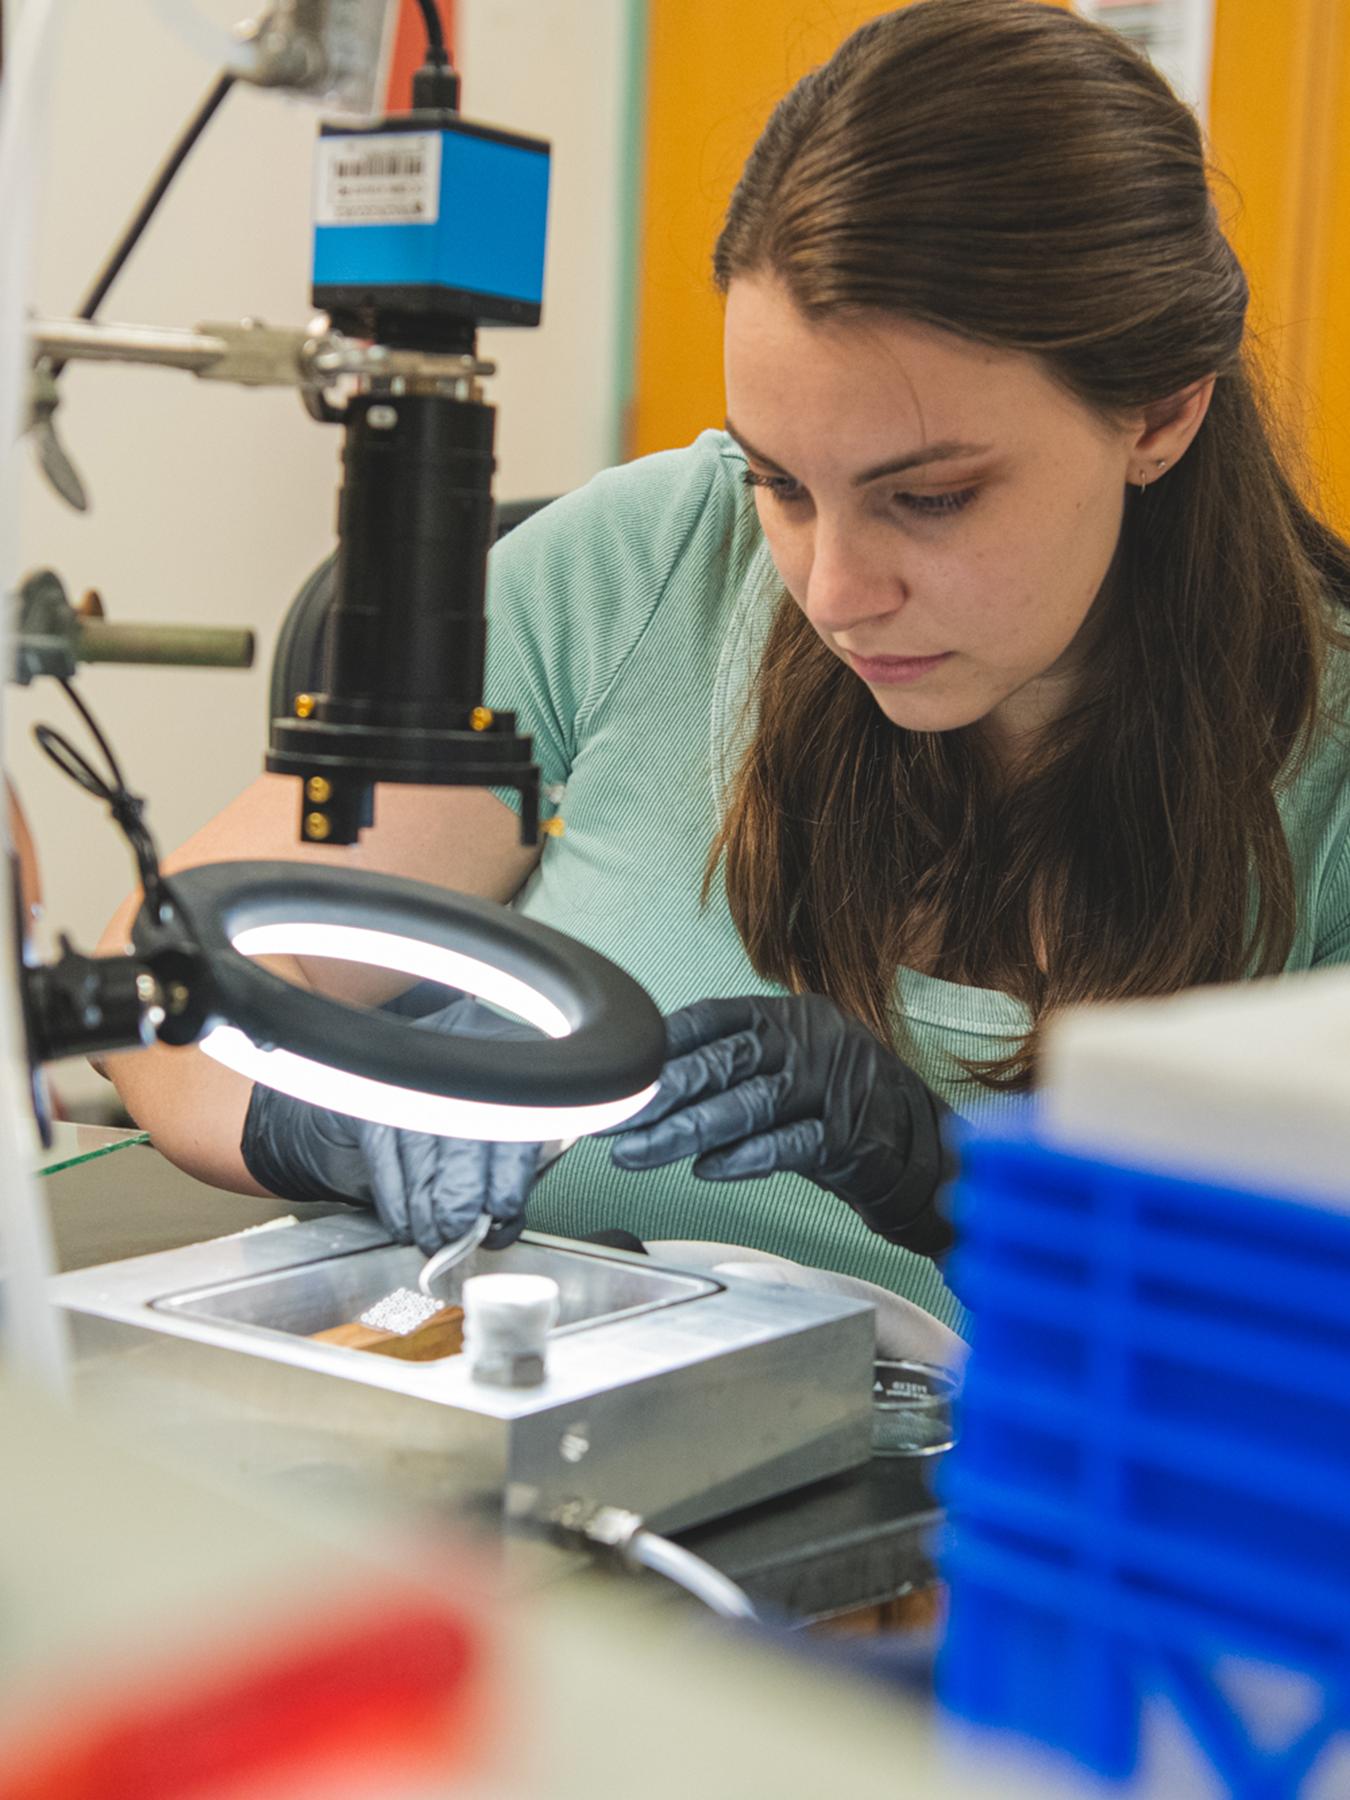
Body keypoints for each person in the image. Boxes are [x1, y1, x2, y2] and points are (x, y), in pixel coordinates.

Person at [100, 0, 1350, 1336]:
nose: (829, 592)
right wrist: (320, 1127)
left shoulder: (1320, 777)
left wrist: (952, 1187)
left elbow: (1278, 1362)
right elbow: (161, 980)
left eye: (927, 498)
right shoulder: (648, 561)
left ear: (1158, 412)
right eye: (781, 482)